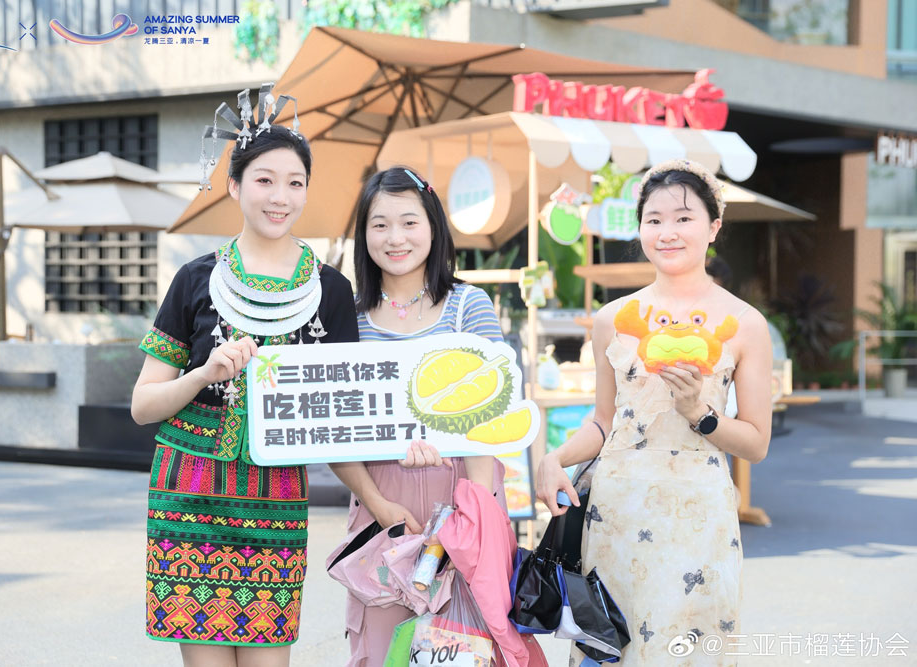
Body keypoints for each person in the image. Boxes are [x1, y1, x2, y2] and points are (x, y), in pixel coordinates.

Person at [131, 88, 358, 667]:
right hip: (190, 488)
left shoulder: (332, 291)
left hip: (276, 493)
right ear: (234, 185)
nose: (281, 197)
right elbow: (143, 405)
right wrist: (202, 374)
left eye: (295, 183)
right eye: (264, 180)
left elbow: (345, 416)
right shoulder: (194, 279)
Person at [535, 159, 772, 665]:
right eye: (654, 219)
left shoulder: (744, 323)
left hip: (699, 516)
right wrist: (555, 457)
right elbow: (604, 423)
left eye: (684, 218)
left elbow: (756, 443)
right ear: (640, 228)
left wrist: (700, 413)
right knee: (616, 646)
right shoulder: (612, 319)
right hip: (617, 512)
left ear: (714, 227)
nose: (667, 232)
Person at [328, 167, 508, 666]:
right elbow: (330, 433)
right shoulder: (348, 318)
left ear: (433, 227)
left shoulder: (468, 306)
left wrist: (471, 516)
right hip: (380, 502)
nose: (396, 238)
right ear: (364, 234)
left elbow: (492, 417)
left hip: (464, 492)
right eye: (380, 224)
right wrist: (379, 505)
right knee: (382, 647)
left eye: (409, 222)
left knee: (466, 648)